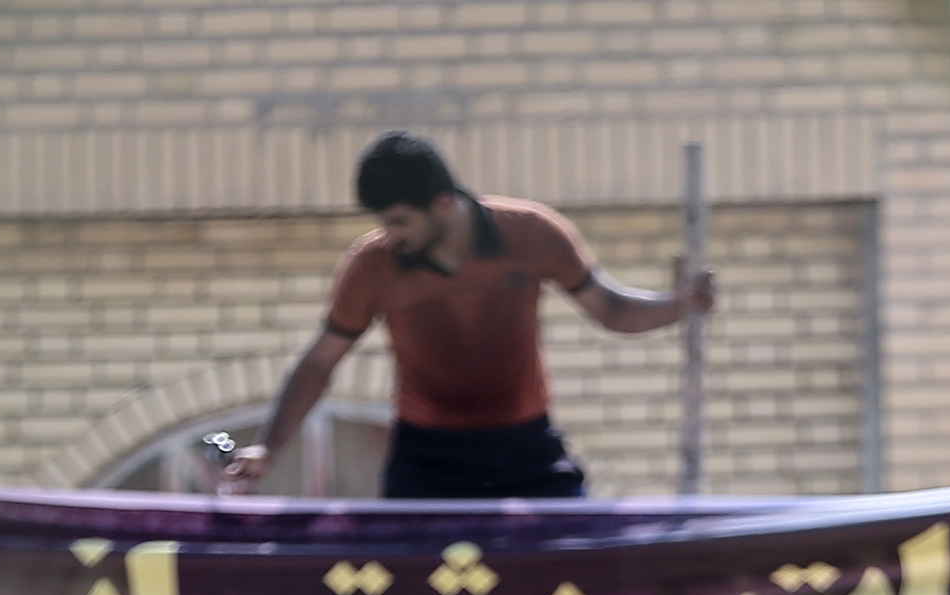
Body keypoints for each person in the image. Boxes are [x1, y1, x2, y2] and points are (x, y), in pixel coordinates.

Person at [222, 130, 718, 502]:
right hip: (427, 457)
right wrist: (268, 447)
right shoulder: (373, 265)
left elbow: (610, 309)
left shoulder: (532, 233)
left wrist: (680, 305)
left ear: (442, 203)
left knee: (573, 564)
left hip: (526, 448)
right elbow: (320, 361)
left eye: (400, 221)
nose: (391, 235)